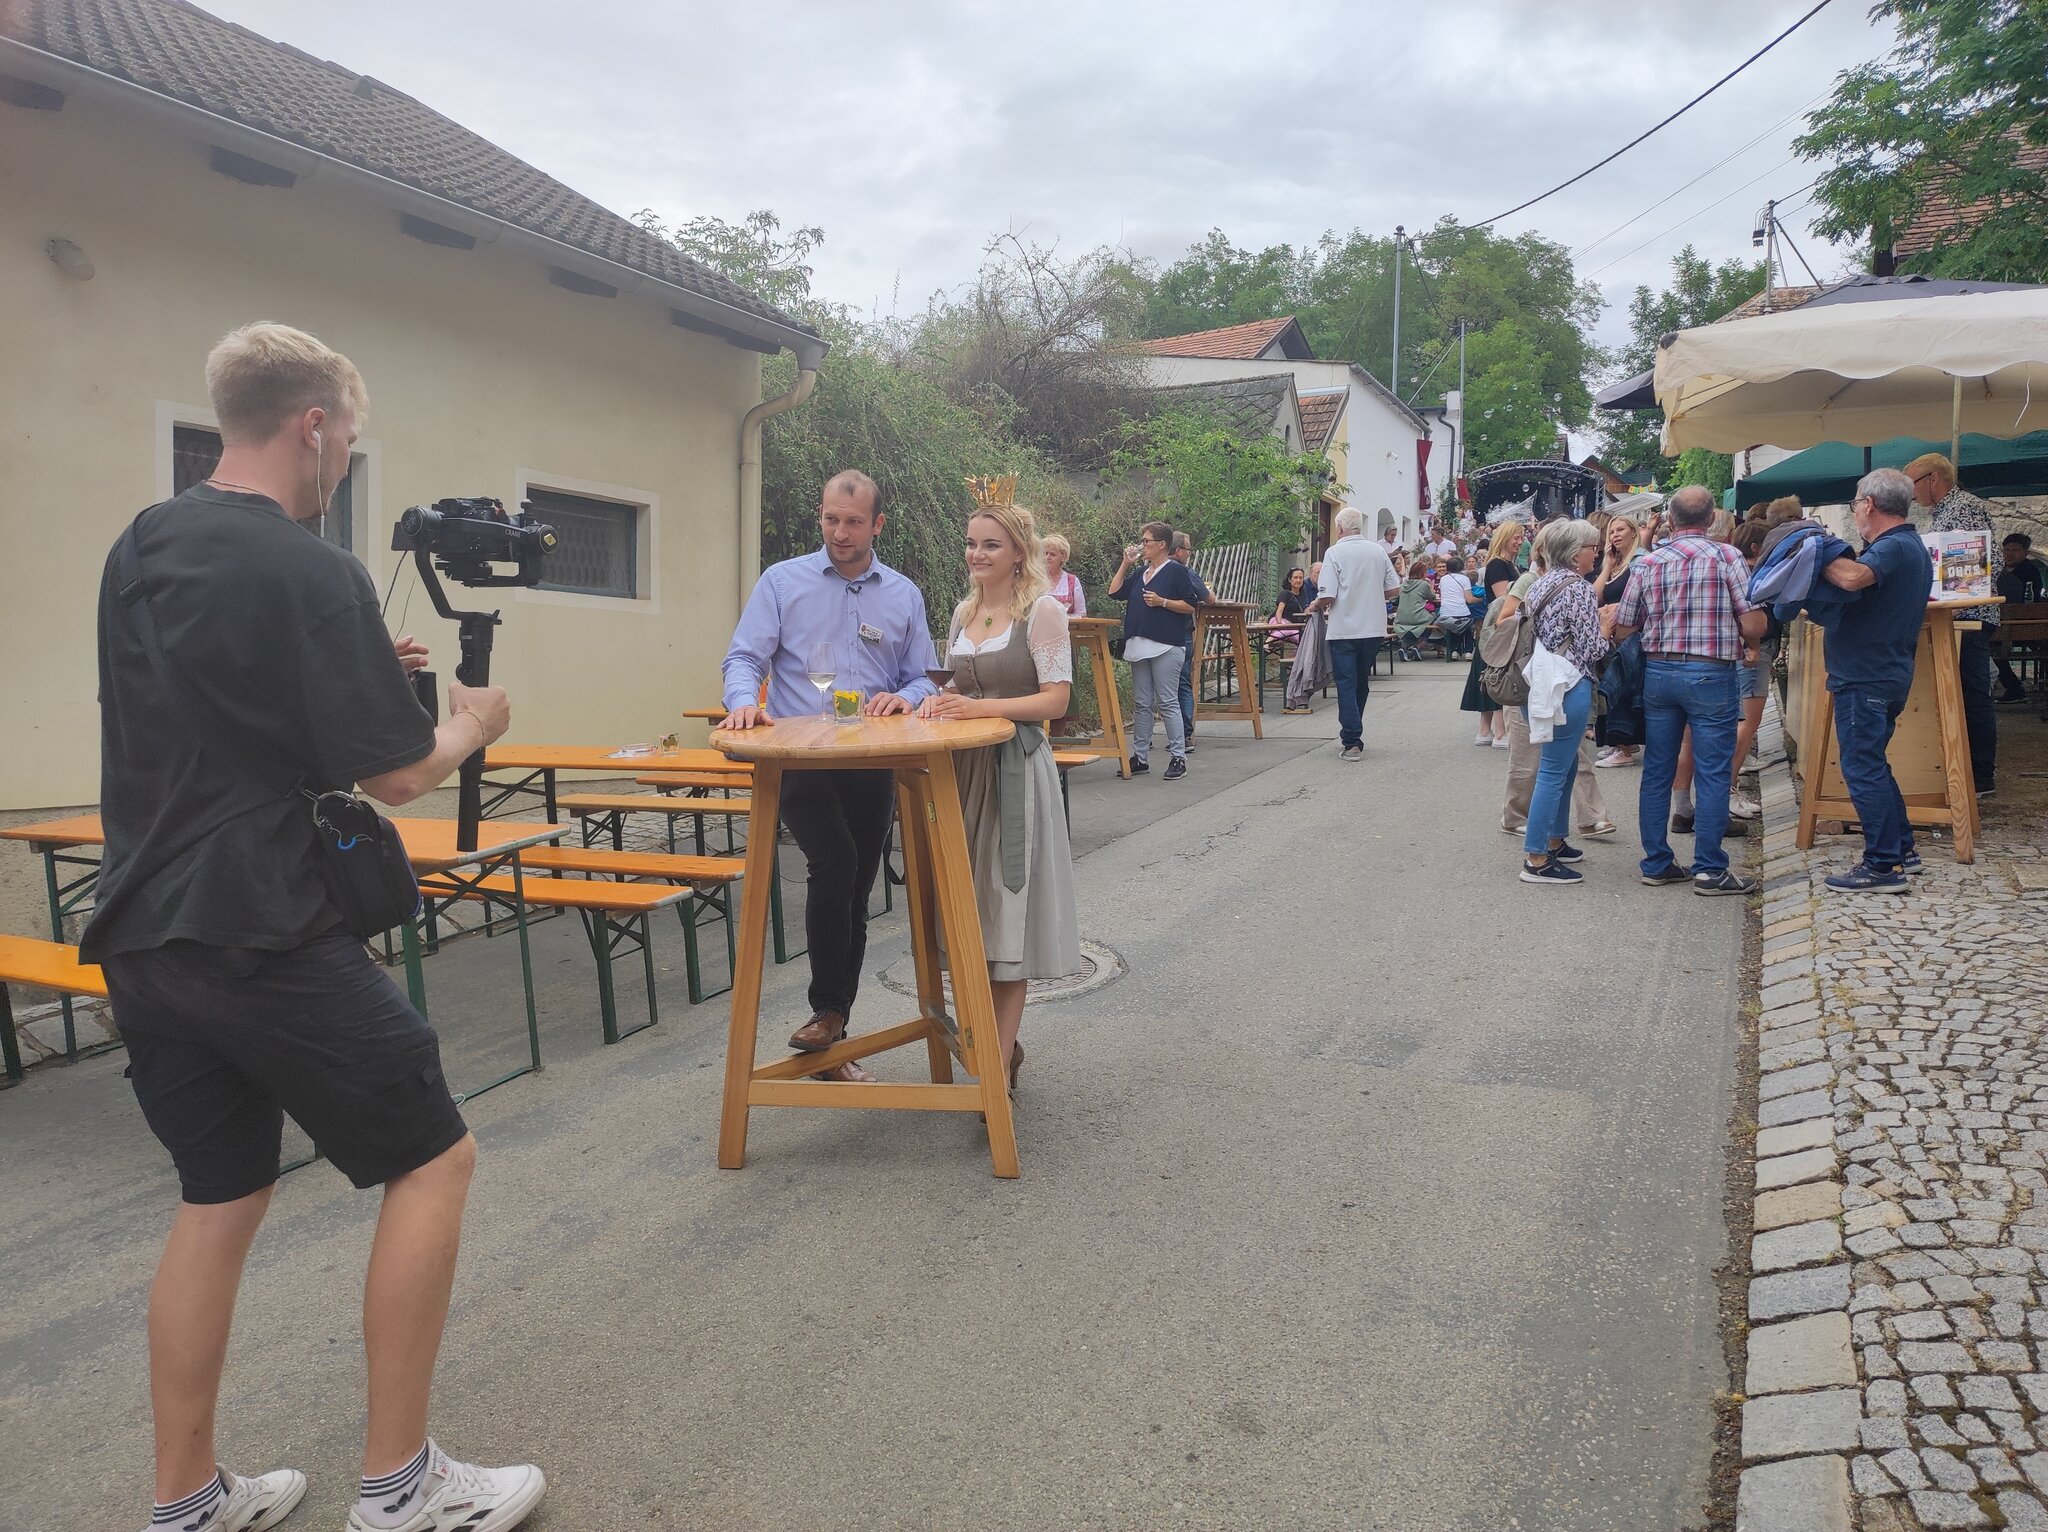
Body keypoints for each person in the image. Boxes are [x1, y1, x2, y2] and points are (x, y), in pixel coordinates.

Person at [82, 323, 544, 1532]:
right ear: (313, 426)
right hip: (259, 923)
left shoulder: (141, 545)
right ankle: (402, 1485)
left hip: (139, 923)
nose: (341, 460)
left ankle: (182, 1495)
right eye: (345, 439)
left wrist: (347, 666)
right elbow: (396, 776)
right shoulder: (310, 564)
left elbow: (209, 707)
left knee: (220, 1193)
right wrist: (469, 723)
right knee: (433, 1155)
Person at [721, 470, 940, 1078]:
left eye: (851, 521)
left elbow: (923, 675)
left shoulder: (902, 594)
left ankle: (833, 1024)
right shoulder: (783, 582)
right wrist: (743, 698)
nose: (839, 532)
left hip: (871, 761)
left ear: (877, 525)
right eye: (829, 519)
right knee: (835, 863)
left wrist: (906, 697)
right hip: (801, 758)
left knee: (859, 882)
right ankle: (827, 1012)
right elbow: (745, 656)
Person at [917, 490, 1082, 1084]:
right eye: (972, 543)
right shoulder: (963, 615)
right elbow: (953, 695)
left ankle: (993, 1061)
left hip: (1014, 770)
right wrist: (939, 708)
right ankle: (993, 1044)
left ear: (1019, 552)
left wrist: (983, 707)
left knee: (1006, 910)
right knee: (967, 910)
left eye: (992, 544)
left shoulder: (1043, 611)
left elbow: (1056, 701)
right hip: (961, 773)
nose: (978, 554)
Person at [1612, 485, 1765, 897]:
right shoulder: (1728, 556)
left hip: (1660, 674)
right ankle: (1710, 869)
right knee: (1713, 771)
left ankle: (1657, 862)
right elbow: (1752, 625)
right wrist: (1747, 638)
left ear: (1670, 519)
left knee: (1658, 770)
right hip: (1711, 673)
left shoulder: (1649, 562)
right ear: (1712, 517)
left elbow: (1624, 625)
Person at [1815, 468, 1936, 892]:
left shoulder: (1894, 545)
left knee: (1862, 767)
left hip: (1866, 676)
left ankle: (1883, 866)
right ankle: (1902, 850)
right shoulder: (1910, 545)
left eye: (1855, 504)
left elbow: (1852, 577)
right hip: (1883, 672)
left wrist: (1819, 553)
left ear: (1868, 504)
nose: (1855, 512)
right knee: (1874, 765)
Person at [1514, 519, 1614, 884]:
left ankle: (1554, 841)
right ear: (1576, 556)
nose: (1597, 552)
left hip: (1541, 683)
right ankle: (1537, 858)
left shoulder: (1540, 584)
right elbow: (1591, 648)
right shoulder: (1580, 589)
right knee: (1554, 772)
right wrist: (1605, 628)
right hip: (1566, 685)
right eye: (1592, 547)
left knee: (1563, 767)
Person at [1907, 452, 1999, 796]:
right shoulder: (1945, 511)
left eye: (1913, 484)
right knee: (1961, 693)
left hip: (1970, 615)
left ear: (1933, 479)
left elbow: (1986, 562)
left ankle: (1980, 774)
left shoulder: (1963, 508)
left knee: (1971, 693)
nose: (1911, 493)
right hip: (1957, 614)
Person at [1109, 520, 1201, 780]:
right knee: (1141, 703)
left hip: (1166, 644)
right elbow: (1114, 592)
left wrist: (1163, 602)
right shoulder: (1141, 573)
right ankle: (1140, 757)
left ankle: (1178, 757)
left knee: (1168, 700)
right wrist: (1126, 563)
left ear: (1162, 545)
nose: (1142, 546)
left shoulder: (1175, 571)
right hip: (1139, 644)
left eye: (1147, 541)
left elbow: (1190, 605)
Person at [1311, 505, 1400, 762]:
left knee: (1346, 683)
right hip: (1372, 627)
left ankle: (1351, 739)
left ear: (1339, 528)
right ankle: (1353, 732)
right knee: (1361, 681)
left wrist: (1315, 604)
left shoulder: (1335, 552)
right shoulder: (1377, 551)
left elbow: (1327, 594)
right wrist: (1371, 595)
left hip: (1344, 629)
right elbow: (1394, 589)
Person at [1461, 520, 1525, 748]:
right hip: (1500, 628)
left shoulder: (1504, 564)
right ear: (1504, 538)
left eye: (1521, 536)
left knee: (1487, 673)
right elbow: (1504, 600)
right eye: (1516, 537)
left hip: (1492, 629)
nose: (1520, 541)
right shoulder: (1499, 565)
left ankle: (1485, 731)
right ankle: (1499, 733)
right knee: (1497, 673)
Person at [1592, 513, 1645, 768]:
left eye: (1620, 529)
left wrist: (1617, 608)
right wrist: (1606, 565)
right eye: (1611, 531)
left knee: (1621, 688)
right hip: (1616, 636)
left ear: (1633, 532)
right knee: (1616, 687)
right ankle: (1622, 743)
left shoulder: (1641, 560)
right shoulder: (1615, 564)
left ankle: (1623, 749)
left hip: (1634, 635)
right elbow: (1595, 596)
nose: (1614, 535)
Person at [1171, 531, 1213, 751]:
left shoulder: (1151, 571)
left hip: (1154, 634)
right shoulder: (1186, 573)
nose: (1189, 554)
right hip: (1181, 634)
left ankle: (1145, 741)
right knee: (1183, 684)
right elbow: (1210, 598)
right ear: (1178, 551)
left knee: (1152, 688)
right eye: (1188, 549)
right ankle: (1185, 735)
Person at [1996, 533, 2048, 701]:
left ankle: (2014, 688)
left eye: (2015, 550)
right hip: (2015, 627)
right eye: (2007, 550)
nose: (2009, 554)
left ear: (2026, 552)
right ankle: (2014, 688)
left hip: (2024, 627)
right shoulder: (1998, 569)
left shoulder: (2029, 570)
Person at [1392, 557, 1437, 661]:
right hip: (1418, 617)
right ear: (1422, 573)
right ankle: (1418, 646)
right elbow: (1432, 597)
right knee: (1431, 620)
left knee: (1410, 629)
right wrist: (1430, 585)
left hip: (1400, 618)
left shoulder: (1403, 585)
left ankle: (1404, 648)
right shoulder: (1423, 584)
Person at [1270, 565, 1314, 649]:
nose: (1298, 580)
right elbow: (1279, 611)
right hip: (1280, 622)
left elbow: (1305, 610)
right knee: (1286, 630)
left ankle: (1295, 658)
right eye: (1296, 577)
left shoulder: (1304, 594)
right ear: (1290, 579)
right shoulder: (1285, 593)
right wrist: (1279, 623)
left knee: (1302, 639)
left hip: (1294, 626)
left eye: (1301, 578)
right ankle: (1267, 642)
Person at [1043, 532, 1086, 616]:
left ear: (1063, 557)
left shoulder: (1072, 581)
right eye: (1045, 553)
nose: (1047, 557)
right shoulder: (1034, 578)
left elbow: (1081, 613)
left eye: (1053, 554)